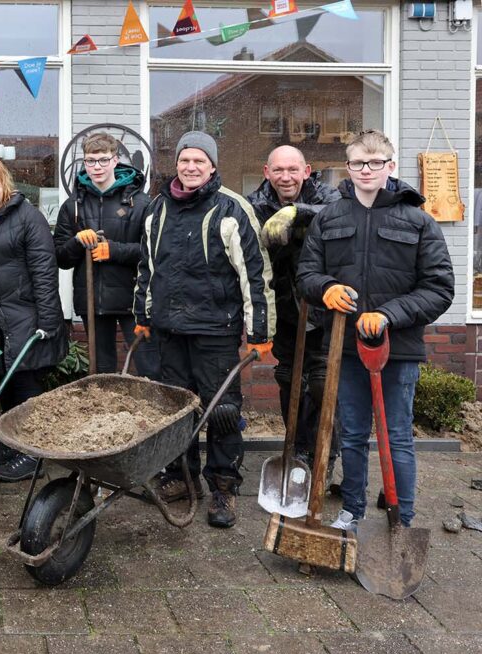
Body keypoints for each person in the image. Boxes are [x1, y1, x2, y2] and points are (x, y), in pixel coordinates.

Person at [297, 130, 454, 530]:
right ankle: (352, 510)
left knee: (397, 435)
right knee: (351, 434)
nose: (366, 170)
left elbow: (439, 288)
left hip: (396, 348)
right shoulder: (330, 217)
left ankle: (403, 516)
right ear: (347, 167)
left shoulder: (418, 221)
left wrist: (387, 314)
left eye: (375, 162)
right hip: (345, 347)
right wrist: (326, 289)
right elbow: (307, 274)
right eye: (357, 163)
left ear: (390, 166)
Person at [133, 131, 274, 528]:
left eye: (199, 161)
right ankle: (179, 477)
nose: (191, 167)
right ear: (175, 164)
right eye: (184, 160)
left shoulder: (232, 209)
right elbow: (148, 268)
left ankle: (223, 487)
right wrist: (143, 316)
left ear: (212, 165)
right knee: (177, 410)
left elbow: (256, 275)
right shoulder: (158, 209)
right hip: (169, 332)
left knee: (223, 411)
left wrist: (260, 333)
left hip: (215, 331)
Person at [0, 158, 68, 482]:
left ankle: (32, 454)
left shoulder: (28, 218)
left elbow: (44, 273)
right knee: (4, 383)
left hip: (26, 315)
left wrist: (48, 322)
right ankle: (11, 443)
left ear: (4, 185)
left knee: (24, 385)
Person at [247, 145, 341, 478]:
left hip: (323, 306)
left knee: (320, 380)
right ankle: (297, 447)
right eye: (278, 170)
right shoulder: (255, 204)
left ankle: (325, 451)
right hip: (284, 306)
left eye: (292, 170)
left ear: (306, 170)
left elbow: (341, 212)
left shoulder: (328, 194)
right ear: (266, 172)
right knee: (288, 376)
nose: (285, 177)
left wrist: (298, 212)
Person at [54, 132, 156, 377]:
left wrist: (115, 250)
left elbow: (154, 252)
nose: (96, 166)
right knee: (102, 371)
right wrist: (78, 242)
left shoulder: (140, 203)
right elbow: (60, 257)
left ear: (115, 160)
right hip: (92, 300)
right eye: (90, 161)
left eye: (102, 159)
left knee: (149, 366)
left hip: (135, 300)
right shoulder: (73, 206)